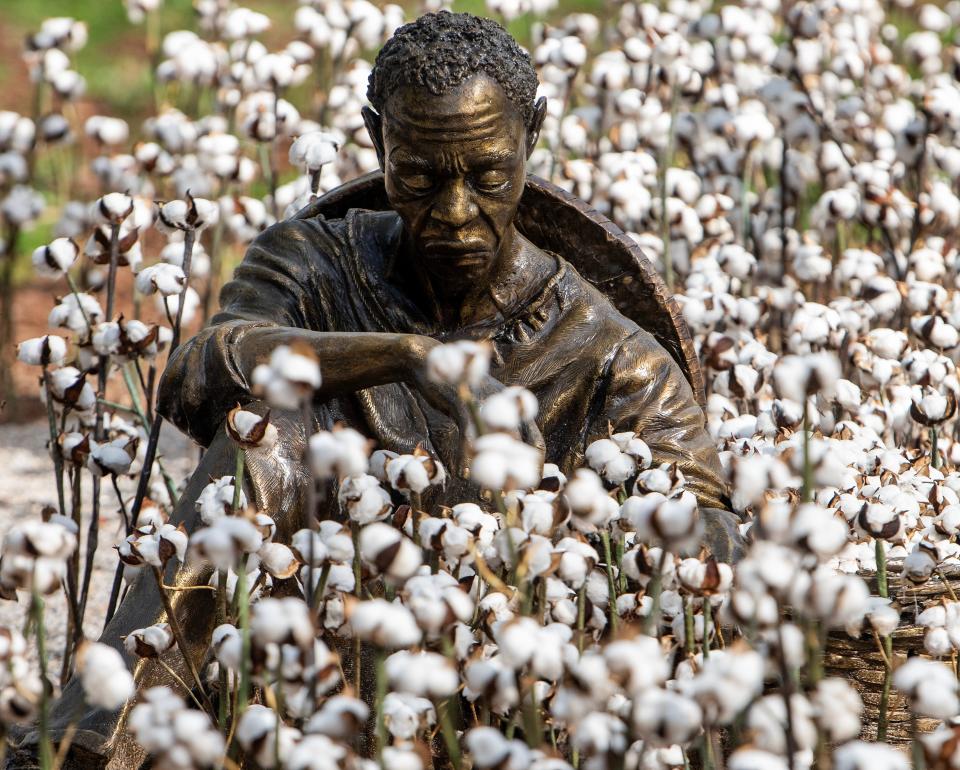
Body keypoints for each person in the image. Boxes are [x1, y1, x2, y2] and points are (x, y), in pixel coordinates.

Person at [15, 12, 742, 769]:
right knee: (262, 441)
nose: (455, 214)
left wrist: (568, 523)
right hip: (298, 664)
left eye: (489, 175)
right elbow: (201, 371)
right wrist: (400, 355)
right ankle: (86, 746)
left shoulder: (608, 353)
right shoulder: (316, 261)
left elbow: (716, 539)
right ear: (375, 140)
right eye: (419, 177)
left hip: (514, 693)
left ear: (533, 135)